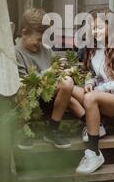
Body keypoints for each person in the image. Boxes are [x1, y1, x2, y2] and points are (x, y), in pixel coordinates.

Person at [72, 8, 114, 174]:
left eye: (100, 27)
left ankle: (93, 153)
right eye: (93, 28)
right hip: (99, 97)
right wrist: (90, 82)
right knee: (71, 90)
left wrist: (101, 88)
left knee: (91, 98)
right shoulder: (95, 49)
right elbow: (95, 75)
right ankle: (96, 125)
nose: (96, 32)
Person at [15, 8, 80, 149]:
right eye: (38, 39)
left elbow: (54, 75)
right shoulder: (16, 53)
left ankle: (53, 129)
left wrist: (62, 70)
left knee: (67, 82)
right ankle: (23, 130)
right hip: (29, 101)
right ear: (24, 33)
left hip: (50, 99)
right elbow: (24, 82)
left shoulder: (45, 50)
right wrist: (49, 72)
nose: (40, 43)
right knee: (20, 87)